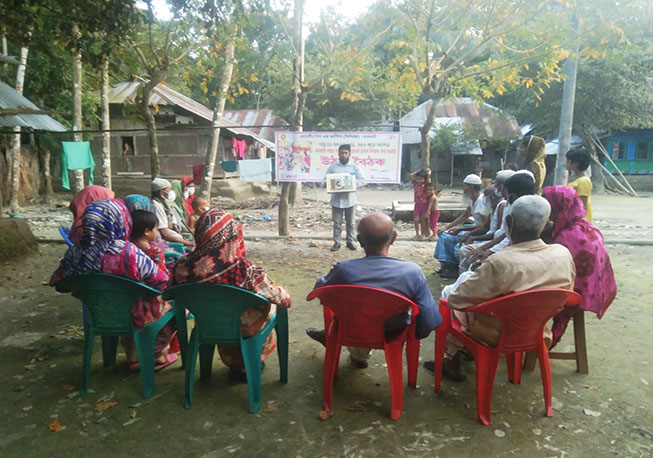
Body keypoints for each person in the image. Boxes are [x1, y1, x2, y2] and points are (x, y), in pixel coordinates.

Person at [424, 195, 576, 381]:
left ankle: (452, 360)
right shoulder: (563, 254)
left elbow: (458, 300)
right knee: (468, 283)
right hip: (538, 329)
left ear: (509, 222)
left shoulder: (501, 262)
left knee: (450, 295)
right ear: (546, 225)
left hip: (495, 333)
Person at [50, 199, 178, 370]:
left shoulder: (74, 252)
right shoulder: (128, 251)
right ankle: (156, 353)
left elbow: (60, 284)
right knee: (175, 304)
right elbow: (160, 281)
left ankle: (132, 356)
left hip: (97, 315)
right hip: (133, 314)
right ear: (121, 221)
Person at [305, 213, 442, 368]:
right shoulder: (412, 272)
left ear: (360, 240)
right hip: (392, 331)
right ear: (394, 237)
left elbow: (319, 291)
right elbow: (430, 319)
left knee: (356, 312)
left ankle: (356, 354)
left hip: (352, 328)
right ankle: (357, 353)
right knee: (378, 314)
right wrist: (417, 332)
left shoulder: (343, 270)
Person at [171, 208, 291, 379]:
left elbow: (170, 293)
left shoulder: (182, 266)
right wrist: (284, 291)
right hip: (240, 326)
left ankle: (234, 364)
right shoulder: (242, 267)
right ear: (231, 233)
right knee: (268, 306)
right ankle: (249, 363)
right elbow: (280, 298)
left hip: (206, 323)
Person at [542, 185, 616, 347]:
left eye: (550, 208)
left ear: (560, 208)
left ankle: (537, 341)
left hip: (576, 293)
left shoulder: (568, 236)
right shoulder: (583, 225)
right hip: (593, 288)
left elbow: (555, 268)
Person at [462, 171, 535, 268]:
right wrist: (485, 248)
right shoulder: (509, 205)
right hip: (501, 245)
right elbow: (504, 234)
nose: (498, 191)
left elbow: (508, 238)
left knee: (474, 260)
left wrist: (489, 251)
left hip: (510, 250)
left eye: (501, 187)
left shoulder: (522, 210)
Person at [433, 173, 491, 278]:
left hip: (480, 233)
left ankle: (453, 269)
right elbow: (465, 215)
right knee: (444, 234)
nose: (463, 188)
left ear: (472, 187)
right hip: (473, 228)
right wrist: (447, 227)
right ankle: (446, 266)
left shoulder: (482, 201)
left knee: (448, 238)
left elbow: (484, 226)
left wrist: (462, 229)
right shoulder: (471, 199)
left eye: (465, 186)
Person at [324, 144, 366, 251]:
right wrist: (329, 183)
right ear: (338, 154)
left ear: (349, 154)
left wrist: (350, 183)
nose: (343, 155)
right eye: (341, 153)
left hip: (350, 200)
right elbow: (323, 181)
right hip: (336, 200)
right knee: (337, 223)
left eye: (345, 153)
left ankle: (350, 241)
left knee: (351, 222)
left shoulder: (354, 167)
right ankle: (337, 242)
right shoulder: (333, 167)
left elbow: (363, 180)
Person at [151, 178, 195, 248]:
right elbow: (164, 233)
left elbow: (174, 226)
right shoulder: (156, 206)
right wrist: (189, 243)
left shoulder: (166, 204)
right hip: (169, 243)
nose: (171, 192)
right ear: (162, 192)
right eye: (169, 190)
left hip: (177, 237)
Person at [565, 147, 593, 222]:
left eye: (568, 161)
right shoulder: (577, 179)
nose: (566, 164)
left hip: (579, 220)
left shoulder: (584, 181)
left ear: (576, 163)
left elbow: (583, 205)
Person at [409, 168, 431, 240]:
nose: (419, 181)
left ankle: (422, 234)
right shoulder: (415, 184)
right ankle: (417, 234)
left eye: (421, 179)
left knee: (423, 221)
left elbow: (428, 178)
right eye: (417, 179)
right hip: (417, 205)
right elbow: (411, 175)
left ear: (424, 180)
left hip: (424, 205)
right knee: (416, 220)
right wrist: (419, 170)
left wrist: (427, 173)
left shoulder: (426, 186)